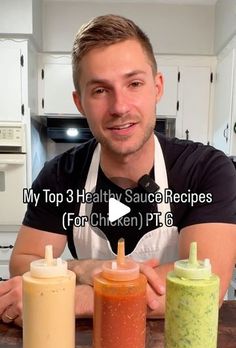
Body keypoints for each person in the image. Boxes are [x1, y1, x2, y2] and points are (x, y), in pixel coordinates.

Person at [1, 14, 236, 327]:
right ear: (80, 102)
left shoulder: (206, 169)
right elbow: (22, 265)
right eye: (99, 90)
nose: (120, 106)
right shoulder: (59, 176)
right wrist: (81, 268)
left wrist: (75, 295)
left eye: (134, 83)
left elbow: (206, 286)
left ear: (157, 87)